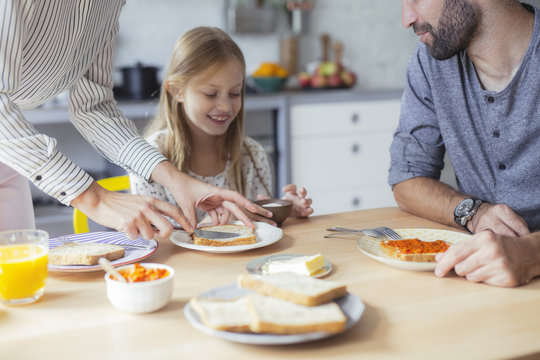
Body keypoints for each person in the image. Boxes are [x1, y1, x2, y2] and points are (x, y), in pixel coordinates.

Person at [0, 0, 272, 240]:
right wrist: (94, 197)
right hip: (11, 137)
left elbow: (94, 105)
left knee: (16, 285)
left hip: (12, 149)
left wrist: (174, 178)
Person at [389, 0, 540, 287]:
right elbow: (407, 179)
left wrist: (531, 253)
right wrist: (473, 212)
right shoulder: (430, 62)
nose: (406, 19)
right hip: (478, 278)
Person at [130, 27, 313, 224]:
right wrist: (224, 222)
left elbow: (261, 227)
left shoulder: (253, 155)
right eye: (210, 94)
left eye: (235, 93)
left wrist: (281, 209)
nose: (226, 106)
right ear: (177, 91)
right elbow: (157, 241)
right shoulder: (149, 158)